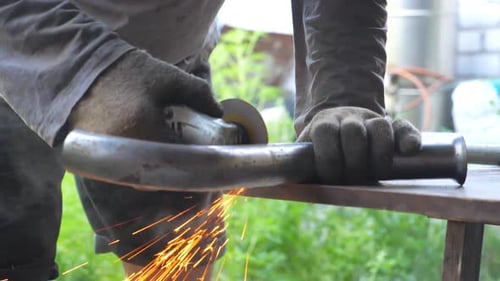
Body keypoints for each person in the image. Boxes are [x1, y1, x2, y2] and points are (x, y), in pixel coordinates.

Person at [0, 0, 421, 280]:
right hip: (16, 40)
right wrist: (88, 73)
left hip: (172, 59)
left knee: (178, 262)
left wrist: (343, 95)